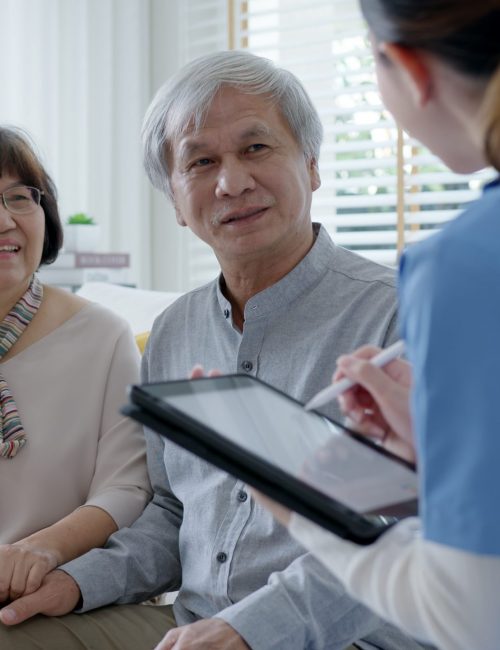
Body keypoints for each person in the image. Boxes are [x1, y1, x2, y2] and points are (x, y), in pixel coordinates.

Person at [0, 52, 427, 650]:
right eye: (201, 161)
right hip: (189, 622)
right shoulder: (175, 331)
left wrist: (250, 630)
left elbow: (412, 535)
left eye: (256, 149)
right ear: (175, 201)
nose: (232, 182)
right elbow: (174, 514)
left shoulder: (403, 315)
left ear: (312, 164)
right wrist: (75, 582)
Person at [254, 2, 500, 650]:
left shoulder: (462, 266)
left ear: (411, 71)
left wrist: (302, 510)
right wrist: (437, 454)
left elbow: (470, 615)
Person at [0, 126, 151, 603]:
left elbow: (126, 487)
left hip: (55, 590)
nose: (4, 220)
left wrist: (35, 552)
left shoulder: (103, 337)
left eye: (18, 197)